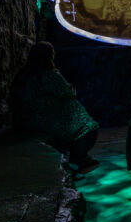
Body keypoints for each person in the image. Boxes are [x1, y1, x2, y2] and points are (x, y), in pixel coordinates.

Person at [12, 42, 100, 175]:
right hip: (44, 121)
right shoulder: (47, 75)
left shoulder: (24, 75)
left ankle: (77, 158)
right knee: (88, 126)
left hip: (27, 119)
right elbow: (68, 91)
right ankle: (79, 158)